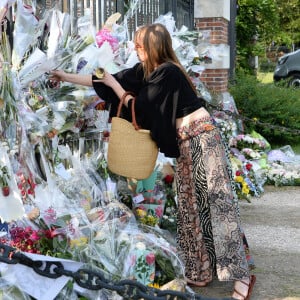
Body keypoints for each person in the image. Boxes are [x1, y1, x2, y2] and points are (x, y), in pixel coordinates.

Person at [50, 23, 256, 299]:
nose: (136, 50)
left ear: (154, 46)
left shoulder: (168, 72)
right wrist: (63, 76)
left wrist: (115, 85)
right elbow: (104, 80)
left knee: (217, 204)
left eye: (140, 46)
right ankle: (201, 270)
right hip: (184, 143)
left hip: (203, 140)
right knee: (189, 207)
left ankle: (241, 276)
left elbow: (144, 107)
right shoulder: (145, 71)